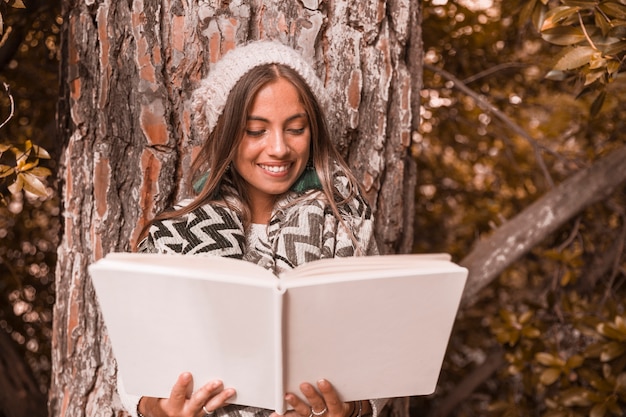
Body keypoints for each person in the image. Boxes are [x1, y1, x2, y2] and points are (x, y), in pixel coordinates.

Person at [118, 40, 387, 417]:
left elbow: (378, 356)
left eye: (295, 129)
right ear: (226, 133)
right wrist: (159, 409)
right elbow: (135, 366)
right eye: (255, 130)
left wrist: (350, 409)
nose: (278, 148)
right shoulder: (177, 232)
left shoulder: (347, 225)